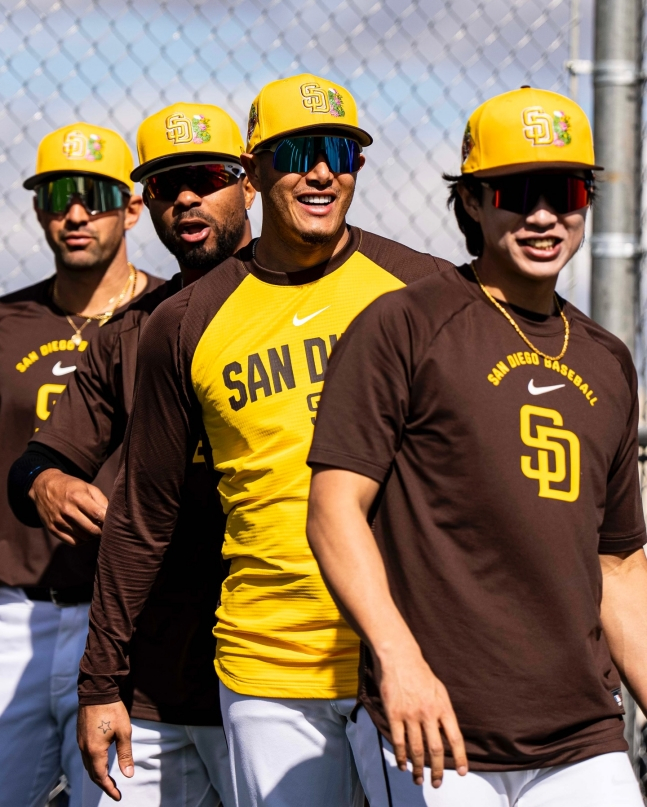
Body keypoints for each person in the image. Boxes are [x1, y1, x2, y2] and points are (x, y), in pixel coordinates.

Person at [74, 73, 453, 807]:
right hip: (267, 667)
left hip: (410, 657)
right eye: (299, 153)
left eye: (339, 152)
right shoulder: (184, 321)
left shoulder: (425, 291)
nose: (322, 172)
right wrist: (100, 680)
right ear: (254, 172)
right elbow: (143, 517)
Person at [306, 86, 647, 807]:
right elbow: (334, 511)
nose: (543, 216)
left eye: (564, 192)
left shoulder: (607, 358)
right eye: (516, 193)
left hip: (581, 734)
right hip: (435, 728)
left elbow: (618, 567)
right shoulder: (403, 324)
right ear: (471, 201)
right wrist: (398, 661)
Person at [9, 103, 255, 806]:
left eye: (207, 177)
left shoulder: (321, 308)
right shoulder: (130, 331)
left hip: (276, 667)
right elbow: (38, 461)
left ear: (248, 184)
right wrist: (47, 481)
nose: (187, 197)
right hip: (150, 675)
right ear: (148, 200)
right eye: (168, 183)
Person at [0, 122, 153, 807]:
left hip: (128, 618)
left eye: (97, 195)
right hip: (15, 616)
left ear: (132, 207)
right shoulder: (6, 324)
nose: (77, 213)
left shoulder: (172, 314)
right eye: (59, 195)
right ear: (39, 209)